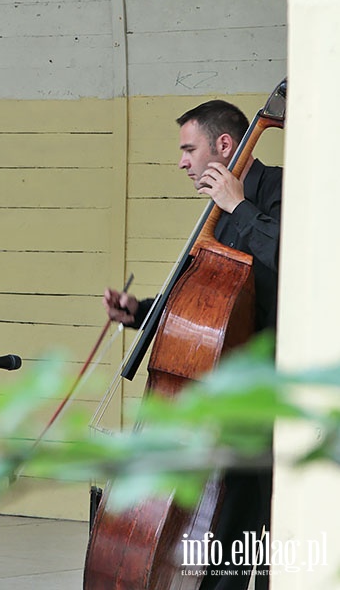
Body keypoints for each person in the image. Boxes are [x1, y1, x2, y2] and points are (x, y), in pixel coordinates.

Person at [101, 100, 281, 590]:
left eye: (189, 148)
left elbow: (290, 256)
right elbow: (201, 299)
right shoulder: (216, 214)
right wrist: (138, 311)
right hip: (225, 398)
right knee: (227, 533)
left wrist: (238, 207)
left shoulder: (278, 190)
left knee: (256, 526)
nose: (182, 161)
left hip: (269, 393)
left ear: (224, 145)